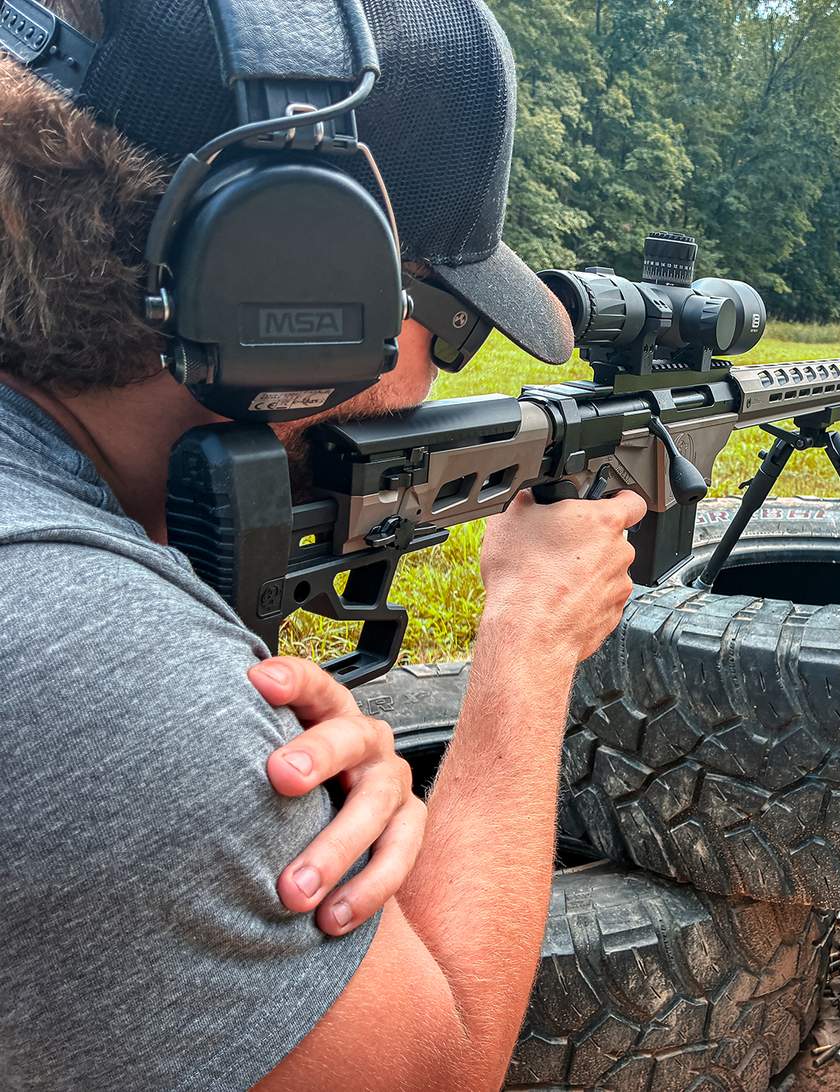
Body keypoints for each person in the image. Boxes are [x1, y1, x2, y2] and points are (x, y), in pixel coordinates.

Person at [0, 1, 646, 1088]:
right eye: (454, 320)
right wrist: (529, 643)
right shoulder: (79, 657)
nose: (444, 379)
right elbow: (432, 1075)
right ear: (293, 282)